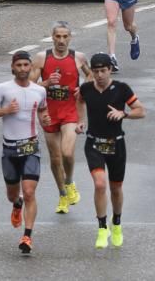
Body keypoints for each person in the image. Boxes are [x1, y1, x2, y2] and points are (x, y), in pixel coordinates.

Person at [0, 51, 52, 255]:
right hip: (10, 149)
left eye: (25, 65)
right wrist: (5, 111)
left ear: (31, 67)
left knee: (30, 191)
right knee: (13, 194)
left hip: (31, 147)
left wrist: (45, 119)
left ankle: (27, 236)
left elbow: (42, 110)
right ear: (13, 68)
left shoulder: (39, 90)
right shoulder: (3, 89)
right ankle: (17, 203)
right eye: (19, 65)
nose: (22, 69)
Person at [77, 53, 146, 249]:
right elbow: (79, 101)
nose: (99, 75)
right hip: (93, 144)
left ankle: (116, 223)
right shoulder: (86, 89)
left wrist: (123, 113)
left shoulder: (122, 89)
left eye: (103, 71)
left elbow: (141, 111)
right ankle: (101, 228)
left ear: (109, 70)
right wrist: (80, 121)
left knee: (115, 188)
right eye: (96, 71)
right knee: (100, 184)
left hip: (116, 145)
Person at [30, 21, 92, 214]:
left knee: (67, 153)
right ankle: (63, 194)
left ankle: (70, 181)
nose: (61, 40)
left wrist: (83, 88)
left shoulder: (79, 58)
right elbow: (28, 84)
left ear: (70, 37)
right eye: (58, 36)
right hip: (49, 112)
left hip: (70, 112)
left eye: (65, 36)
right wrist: (46, 83)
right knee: (55, 159)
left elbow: (91, 76)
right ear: (52, 37)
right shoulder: (42, 58)